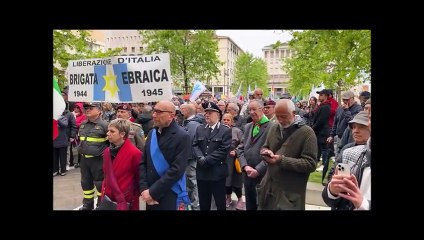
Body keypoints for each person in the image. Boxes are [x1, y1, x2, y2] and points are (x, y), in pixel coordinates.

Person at [258, 99, 318, 210]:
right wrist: (266, 152)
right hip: (268, 189)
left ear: (294, 113)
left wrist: (281, 160)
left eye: (284, 116)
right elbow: (265, 146)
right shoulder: (274, 127)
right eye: (278, 116)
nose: (280, 120)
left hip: (289, 194)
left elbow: (311, 164)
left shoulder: (307, 133)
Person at [139, 101, 191, 210]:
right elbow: (143, 162)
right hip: (148, 193)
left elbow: (177, 170)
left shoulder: (182, 136)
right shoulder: (151, 133)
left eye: (158, 112)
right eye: (154, 111)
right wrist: (144, 189)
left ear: (171, 116)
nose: (153, 115)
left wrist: (153, 192)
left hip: (169, 193)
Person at [322, 110, 371, 210]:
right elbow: (332, 178)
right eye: (353, 127)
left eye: (361, 127)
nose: (355, 131)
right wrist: (332, 190)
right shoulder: (347, 151)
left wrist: (363, 204)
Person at [193, 101, 232, 210]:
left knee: (220, 203)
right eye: (206, 112)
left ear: (218, 115)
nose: (207, 115)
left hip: (217, 173)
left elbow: (223, 150)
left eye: (210, 113)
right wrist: (200, 158)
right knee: (204, 203)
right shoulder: (200, 129)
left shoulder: (225, 130)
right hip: (202, 172)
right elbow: (195, 144)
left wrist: (207, 160)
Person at [235, 100, 272, 210]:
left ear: (262, 109)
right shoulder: (247, 127)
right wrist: (245, 166)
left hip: (263, 177)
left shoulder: (272, 127)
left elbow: (273, 152)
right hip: (247, 176)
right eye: (249, 110)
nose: (251, 112)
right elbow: (240, 149)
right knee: (250, 206)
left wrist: (258, 170)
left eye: (254, 109)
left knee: (262, 206)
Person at [98, 118, 142, 210]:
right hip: (108, 197)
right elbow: (106, 176)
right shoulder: (106, 152)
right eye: (108, 131)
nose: (108, 134)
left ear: (122, 134)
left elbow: (139, 178)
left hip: (126, 199)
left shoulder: (135, 153)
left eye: (112, 131)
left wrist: (132, 195)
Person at [77, 102, 109, 210]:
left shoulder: (105, 125)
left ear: (99, 110)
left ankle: (100, 205)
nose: (87, 110)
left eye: (91, 108)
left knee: (100, 184)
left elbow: (110, 144)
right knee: (85, 183)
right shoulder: (82, 124)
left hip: (98, 160)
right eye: (86, 108)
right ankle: (88, 204)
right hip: (84, 160)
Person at [222, 113, 244, 210]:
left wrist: (235, 151)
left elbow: (243, 143)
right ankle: (228, 197)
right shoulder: (220, 130)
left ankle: (240, 199)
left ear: (232, 122)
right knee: (226, 181)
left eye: (228, 120)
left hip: (234, 160)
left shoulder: (237, 131)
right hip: (223, 160)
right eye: (224, 119)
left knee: (236, 181)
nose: (226, 121)